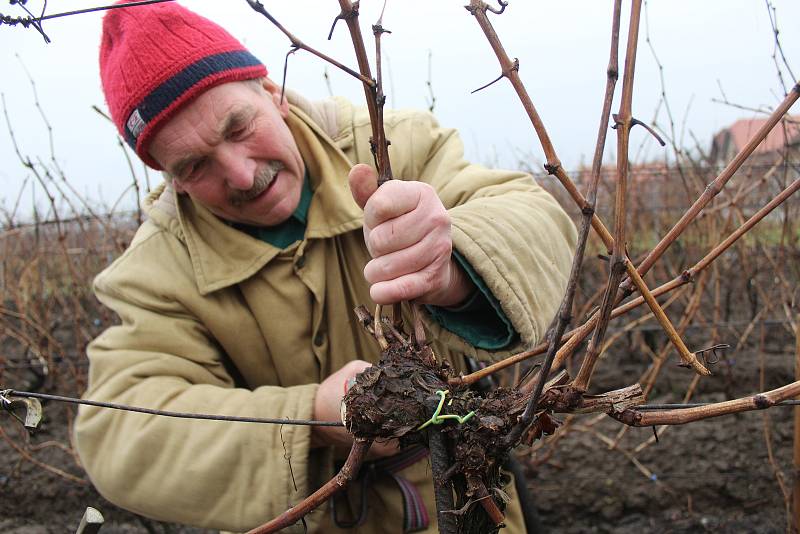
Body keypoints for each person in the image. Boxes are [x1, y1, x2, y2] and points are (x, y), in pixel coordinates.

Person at [74, 2, 577, 532]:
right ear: (173, 180)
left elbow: (535, 217)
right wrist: (309, 415)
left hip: (470, 496)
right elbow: (119, 431)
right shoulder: (159, 266)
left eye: (238, 127)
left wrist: (453, 268)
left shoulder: (388, 146)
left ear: (273, 94)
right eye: (195, 166)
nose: (241, 175)